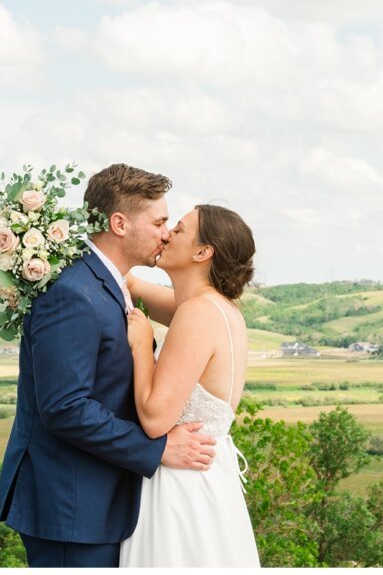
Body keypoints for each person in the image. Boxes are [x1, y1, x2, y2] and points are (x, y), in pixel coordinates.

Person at [0, 164, 218, 568]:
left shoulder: (106, 283)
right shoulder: (73, 293)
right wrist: (159, 448)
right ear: (119, 224)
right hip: (71, 510)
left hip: (98, 506)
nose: (166, 233)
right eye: (159, 222)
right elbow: (65, 408)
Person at [119, 203, 261, 567]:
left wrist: (140, 346)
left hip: (182, 489)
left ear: (203, 252)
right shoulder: (212, 306)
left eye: (178, 229)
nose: (167, 234)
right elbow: (130, 284)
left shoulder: (198, 314)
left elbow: (154, 417)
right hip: (210, 481)